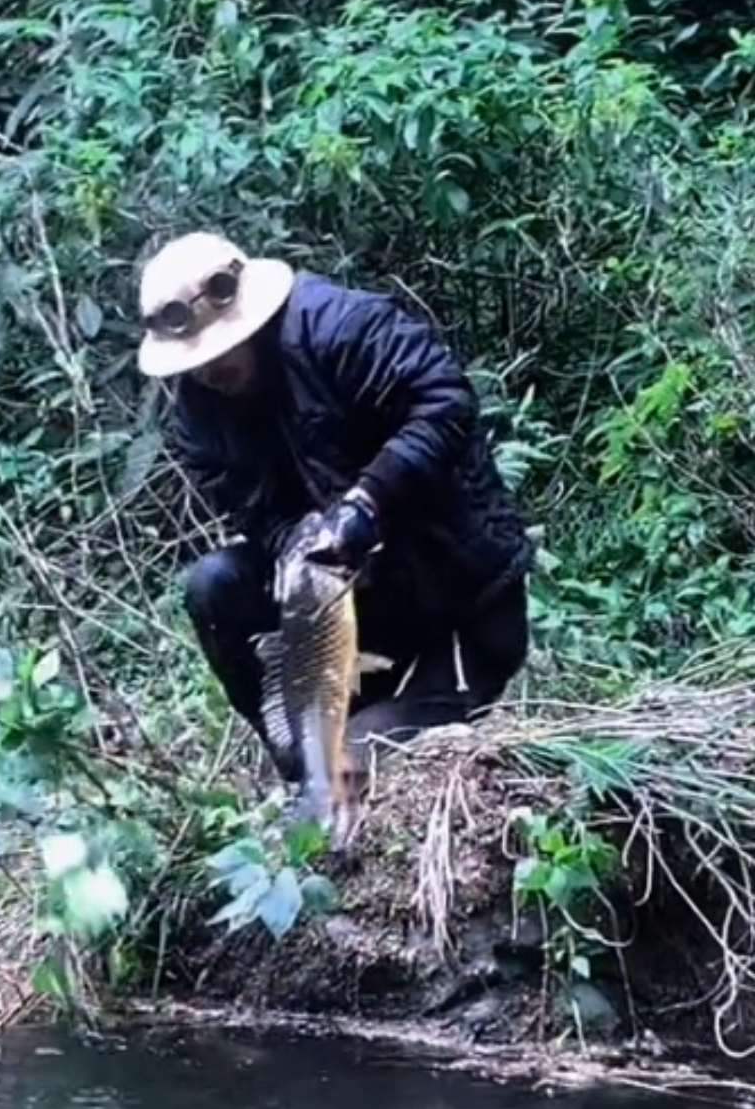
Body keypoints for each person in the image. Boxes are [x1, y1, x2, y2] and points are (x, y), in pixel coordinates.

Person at [137, 230, 534, 783]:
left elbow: (444, 402)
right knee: (214, 585)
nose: (206, 371)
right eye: (193, 361)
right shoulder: (199, 414)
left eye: (217, 352)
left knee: (360, 757)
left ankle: (359, 748)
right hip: (352, 617)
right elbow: (256, 515)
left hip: (459, 604)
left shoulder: (343, 327)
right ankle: (300, 764)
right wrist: (301, 542)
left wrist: (366, 502)